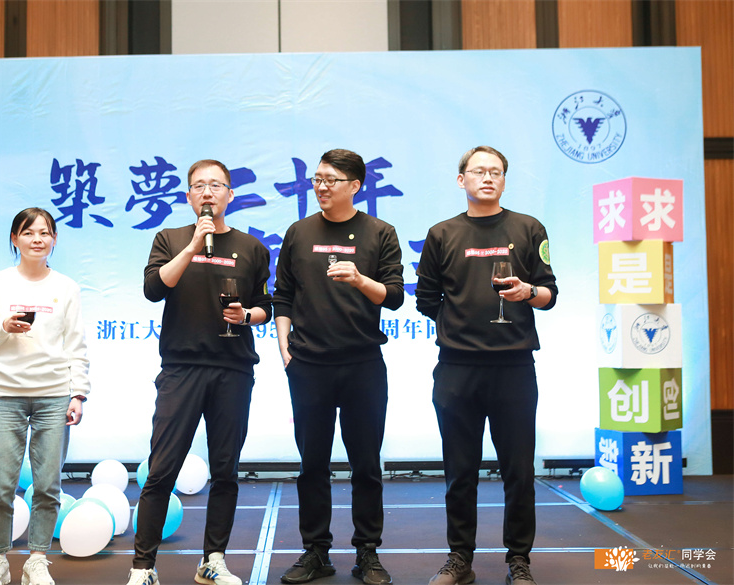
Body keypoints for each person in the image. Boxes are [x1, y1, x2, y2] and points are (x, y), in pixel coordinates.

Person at [124, 159, 273, 585]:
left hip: (233, 369)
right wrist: (192, 247)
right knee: (161, 470)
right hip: (181, 368)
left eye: (216, 185)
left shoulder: (252, 247)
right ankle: (143, 567)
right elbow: (154, 289)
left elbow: (267, 305)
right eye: (199, 186)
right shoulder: (170, 239)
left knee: (226, 470)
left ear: (230, 194)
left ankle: (213, 560)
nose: (208, 193)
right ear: (189, 196)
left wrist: (247, 316)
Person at [415, 146, 558, 585]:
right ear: (462, 180)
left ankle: (519, 560)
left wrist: (527, 292)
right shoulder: (442, 234)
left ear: (504, 180)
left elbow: (549, 295)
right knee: (460, 471)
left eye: (496, 171)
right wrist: (461, 322)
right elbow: (425, 300)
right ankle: (460, 558)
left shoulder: (528, 228)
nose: (488, 178)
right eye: (479, 171)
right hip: (456, 369)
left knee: (519, 470)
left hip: (514, 367)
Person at [274, 149, 404, 585]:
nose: (321, 186)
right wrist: (284, 346)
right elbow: (283, 294)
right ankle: (316, 551)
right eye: (317, 178)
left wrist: (361, 279)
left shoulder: (380, 232)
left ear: (355, 185)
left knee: (366, 464)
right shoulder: (299, 232)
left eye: (331, 179)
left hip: (362, 364)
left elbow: (395, 296)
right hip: (308, 365)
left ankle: (368, 552)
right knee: (312, 464)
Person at [0, 207, 90, 585]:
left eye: (45, 233)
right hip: (3, 394)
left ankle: (37, 559)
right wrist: (2, 326)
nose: (37, 239)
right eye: (28, 232)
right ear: (14, 239)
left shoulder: (66, 287)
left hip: (54, 395)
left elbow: (76, 344)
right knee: (1, 485)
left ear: (54, 239)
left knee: (48, 485)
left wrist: (79, 394)